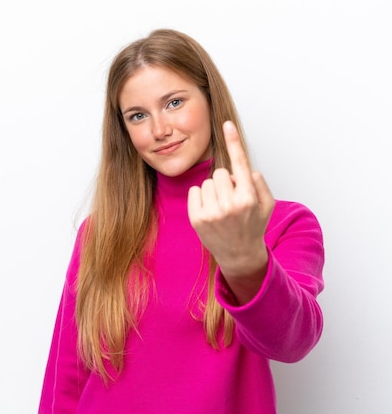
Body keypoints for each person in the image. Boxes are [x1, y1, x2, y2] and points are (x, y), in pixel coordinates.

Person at [38, 29, 325, 414]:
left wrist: (245, 263)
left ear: (210, 100)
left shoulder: (282, 223)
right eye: (138, 115)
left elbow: (293, 342)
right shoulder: (99, 232)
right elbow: (67, 374)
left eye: (174, 103)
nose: (160, 130)